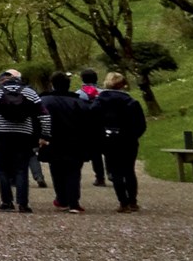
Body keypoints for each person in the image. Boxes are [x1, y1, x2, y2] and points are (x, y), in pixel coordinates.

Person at [0, 68, 45, 212]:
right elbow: (44, 115)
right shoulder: (29, 92)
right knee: (21, 168)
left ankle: (7, 202)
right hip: (23, 134)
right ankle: (23, 203)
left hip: (1, 134)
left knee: (2, 168)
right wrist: (44, 134)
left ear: (1, 80)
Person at [43, 72, 105, 212]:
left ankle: (62, 198)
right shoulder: (79, 103)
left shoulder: (46, 101)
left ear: (52, 84)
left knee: (57, 169)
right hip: (76, 141)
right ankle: (73, 201)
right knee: (74, 171)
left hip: (54, 140)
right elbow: (88, 124)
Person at [95, 70, 148, 212]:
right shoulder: (131, 102)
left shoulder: (99, 102)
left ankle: (123, 202)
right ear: (123, 85)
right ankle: (133, 201)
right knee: (129, 170)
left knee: (116, 171)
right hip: (128, 140)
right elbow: (141, 124)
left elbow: (92, 121)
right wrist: (133, 135)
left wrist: (100, 136)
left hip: (109, 139)